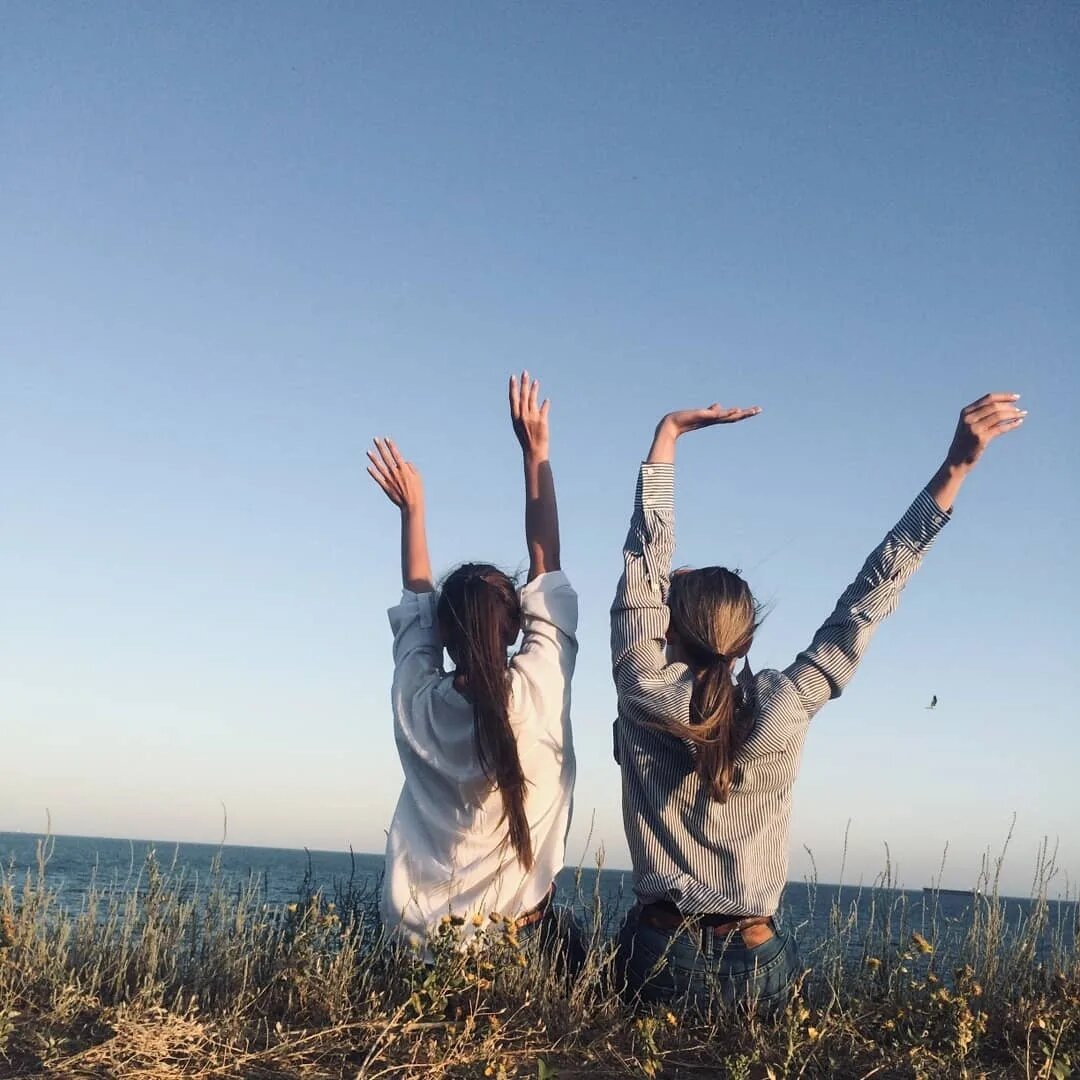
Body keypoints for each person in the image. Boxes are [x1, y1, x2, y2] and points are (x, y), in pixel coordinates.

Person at [610, 392, 1026, 1010]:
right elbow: (868, 599)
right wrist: (953, 470)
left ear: (665, 626)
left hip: (658, 950)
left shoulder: (641, 684)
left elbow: (643, 571)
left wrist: (666, 437)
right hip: (753, 953)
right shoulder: (786, 702)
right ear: (745, 639)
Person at [368, 372, 579, 961]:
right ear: (515, 627)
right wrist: (535, 454)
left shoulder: (417, 702)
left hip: (418, 954)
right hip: (517, 945)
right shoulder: (539, 689)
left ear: (442, 632)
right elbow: (546, 566)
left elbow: (416, 608)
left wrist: (412, 510)